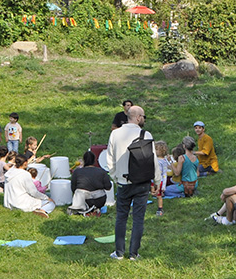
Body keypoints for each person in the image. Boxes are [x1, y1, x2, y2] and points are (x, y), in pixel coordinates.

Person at [107, 105, 155, 260]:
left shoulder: (115, 134)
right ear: (139, 117)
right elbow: (152, 160)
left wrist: (115, 177)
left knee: (121, 217)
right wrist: (157, 181)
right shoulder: (145, 134)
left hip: (123, 182)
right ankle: (134, 253)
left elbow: (110, 159)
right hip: (142, 181)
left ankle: (119, 252)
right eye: (144, 117)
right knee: (138, 218)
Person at [69, 150, 114, 216]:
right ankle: (94, 210)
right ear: (94, 160)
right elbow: (108, 187)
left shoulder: (77, 172)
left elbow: (73, 188)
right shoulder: (102, 171)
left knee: (78, 192)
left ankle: (82, 209)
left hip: (82, 200)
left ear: (84, 161)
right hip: (99, 200)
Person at [152, 141, 170, 216]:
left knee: (159, 195)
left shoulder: (163, 161)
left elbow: (164, 174)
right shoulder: (154, 158)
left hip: (160, 180)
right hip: (153, 179)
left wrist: (163, 186)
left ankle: (160, 208)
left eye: (156, 149)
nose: (154, 151)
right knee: (152, 190)